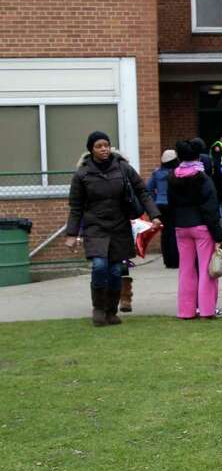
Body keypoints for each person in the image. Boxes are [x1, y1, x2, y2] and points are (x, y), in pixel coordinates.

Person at [65, 131, 161, 326]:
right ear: (91, 149)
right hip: (95, 226)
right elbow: (76, 207)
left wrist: (155, 214)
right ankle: (99, 308)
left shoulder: (123, 168)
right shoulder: (82, 174)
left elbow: (142, 191)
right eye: (99, 146)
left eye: (106, 145)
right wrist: (71, 234)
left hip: (119, 225)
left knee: (116, 270)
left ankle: (111, 310)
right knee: (100, 266)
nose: (104, 149)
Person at [169, 140, 222, 319]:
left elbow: (171, 205)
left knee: (185, 270)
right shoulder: (202, 178)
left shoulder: (173, 176)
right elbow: (210, 207)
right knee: (206, 270)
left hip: (181, 227)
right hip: (201, 227)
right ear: (198, 156)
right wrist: (217, 234)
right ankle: (207, 310)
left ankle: (185, 310)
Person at [147, 148, 179, 269]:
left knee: (165, 233)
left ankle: (167, 261)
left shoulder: (157, 173)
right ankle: (175, 260)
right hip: (173, 205)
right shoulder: (177, 172)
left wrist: (156, 199)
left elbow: (148, 189)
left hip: (160, 205)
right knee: (174, 232)